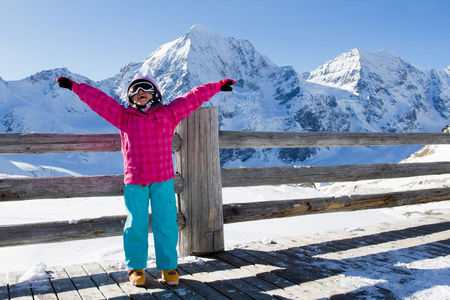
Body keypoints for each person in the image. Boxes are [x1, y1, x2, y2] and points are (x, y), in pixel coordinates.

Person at [57, 75, 235, 286]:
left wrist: (216, 86)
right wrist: (75, 87)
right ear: (130, 97)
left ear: (155, 93)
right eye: (134, 91)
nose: (139, 93)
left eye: (145, 89)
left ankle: (169, 267)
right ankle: (136, 268)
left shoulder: (168, 113)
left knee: (166, 223)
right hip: (136, 182)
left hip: (163, 180)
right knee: (135, 225)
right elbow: (99, 100)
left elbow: (192, 98)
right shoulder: (123, 116)